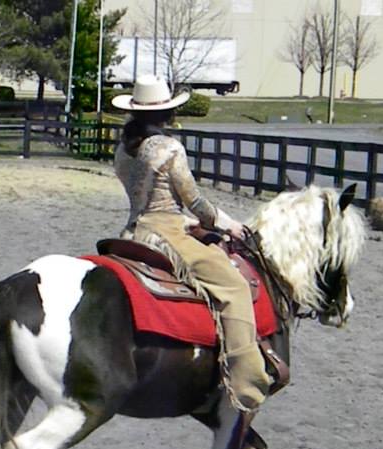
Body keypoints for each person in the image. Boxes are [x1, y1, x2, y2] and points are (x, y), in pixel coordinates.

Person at [111, 75, 269, 412]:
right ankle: (246, 383)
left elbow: (147, 198)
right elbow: (194, 201)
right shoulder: (170, 148)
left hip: (133, 231)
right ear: (166, 113)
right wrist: (227, 224)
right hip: (167, 233)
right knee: (234, 287)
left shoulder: (122, 149)